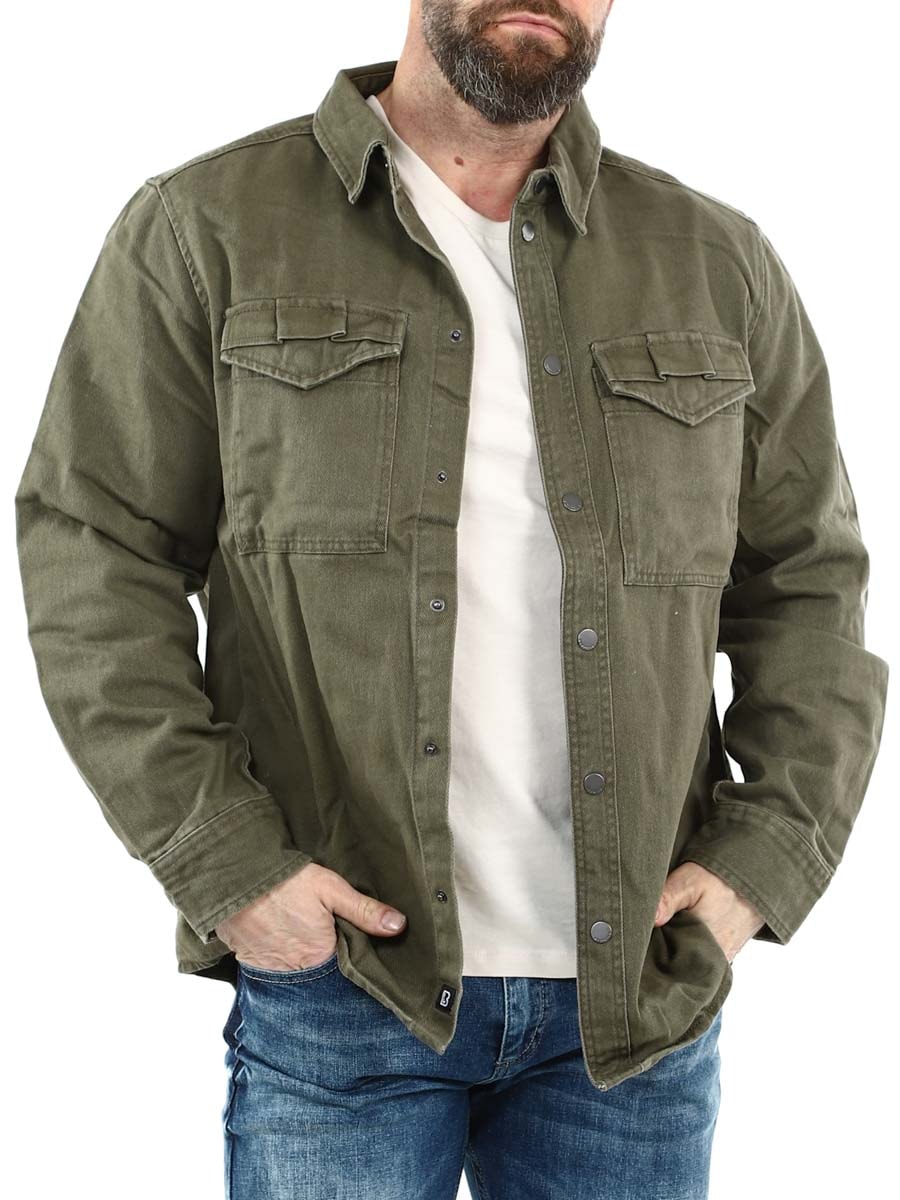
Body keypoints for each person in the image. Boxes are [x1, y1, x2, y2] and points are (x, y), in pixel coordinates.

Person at [14, 2, 889, 1197]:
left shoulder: (714, 260)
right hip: (345, 983)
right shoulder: (208, 227)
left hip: (634, 1001)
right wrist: (230, 867)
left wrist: (764, 859)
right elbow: (93, 545)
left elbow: (809, 579)